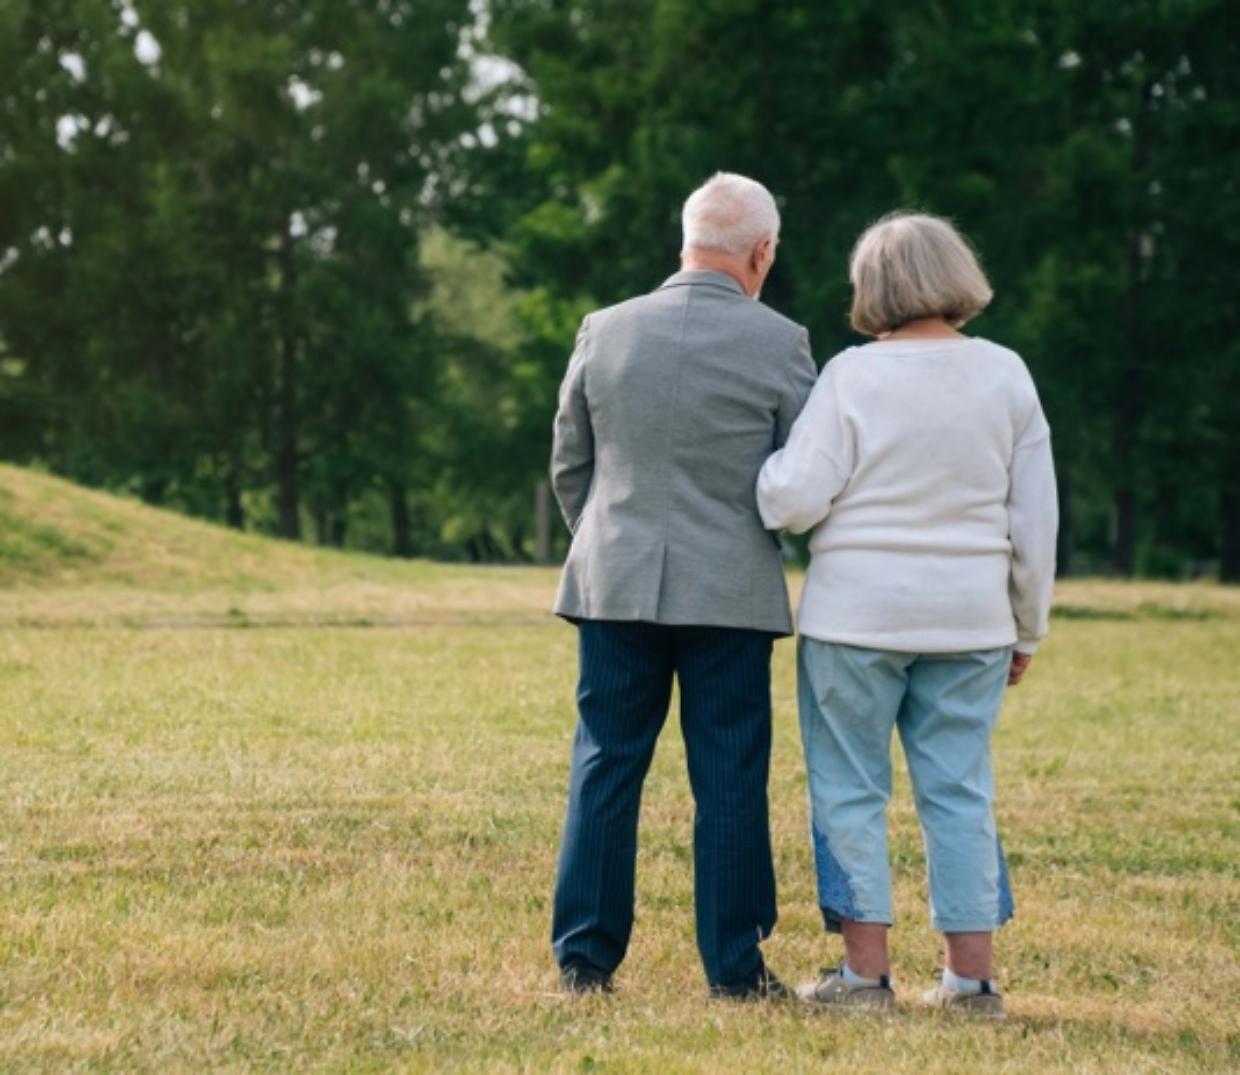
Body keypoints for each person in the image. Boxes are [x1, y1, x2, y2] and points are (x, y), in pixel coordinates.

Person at [757, 211, 1057, 1017]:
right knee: (958, 790)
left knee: (850, 789)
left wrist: (763, 472)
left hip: (855, 620)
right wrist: (1026, 627)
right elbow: (1034, 522)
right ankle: (973, 981)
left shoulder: (853, 376)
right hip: (971, 621)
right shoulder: (1008, 375)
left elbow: (794, 497)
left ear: (872, 288)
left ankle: (863, 976)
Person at [548, 172, 817, 998]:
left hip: (615, 581)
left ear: (686, 240)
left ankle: (585, 960)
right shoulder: (784, 343)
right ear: (762, 252)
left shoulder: (606, 328)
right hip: (730, 592)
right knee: (730, 773)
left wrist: (605, 540)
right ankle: (735, 971)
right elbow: (804, 477)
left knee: (606, 761)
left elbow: (570, 462)